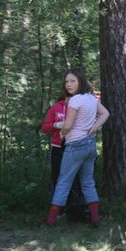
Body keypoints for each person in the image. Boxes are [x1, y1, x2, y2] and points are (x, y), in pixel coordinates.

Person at [45, 68, 110, 226]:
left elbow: (68, 125)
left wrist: (62, 134)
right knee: (87, 182)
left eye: (72, 81)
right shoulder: (90, 98)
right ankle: (95, 219)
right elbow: (105, 113)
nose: (69, 84)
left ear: (80, 81)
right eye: (67, 81)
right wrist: (94, 128)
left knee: (63, 182)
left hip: (75, 145)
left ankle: (50, 221)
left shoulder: (74, 100)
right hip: (89, 144)